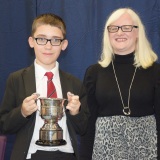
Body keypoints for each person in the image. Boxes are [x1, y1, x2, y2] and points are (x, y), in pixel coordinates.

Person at [0, 13, 89, 160]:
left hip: (66, 154)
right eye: (41, 39)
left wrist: (76, 112)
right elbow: (3, 125)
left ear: (64, 45)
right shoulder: (16, 79)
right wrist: (22, 112)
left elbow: (83, 128)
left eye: (55, 40)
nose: (48, 46)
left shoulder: (75, 83)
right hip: (30, 155)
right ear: (31, 41)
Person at [80, 7, 160, 160]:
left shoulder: (155, 71)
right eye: (114, 28)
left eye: (126, 28)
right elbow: (88, 122)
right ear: (107, 34)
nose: (119, 32)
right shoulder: (94, 72)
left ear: (137, 33)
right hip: (104, 152)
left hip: (146, 151)